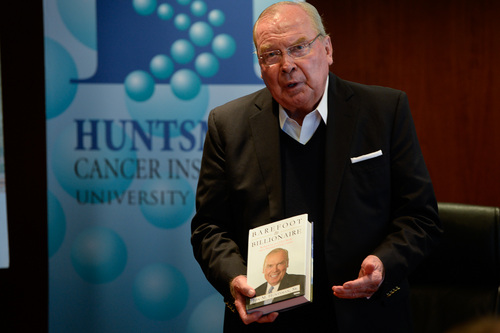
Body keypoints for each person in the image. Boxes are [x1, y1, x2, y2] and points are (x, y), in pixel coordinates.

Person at [191, 1, 443, 332]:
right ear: (260, 65)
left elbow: (420, 217)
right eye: (271, 54)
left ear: (327, 49)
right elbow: (209, 228)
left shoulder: (384, 112)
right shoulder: (228, 125)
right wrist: (235, 277)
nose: (287, 65)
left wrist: (384, 263)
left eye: (299, 47)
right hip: (267, 320)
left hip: (366, 316)